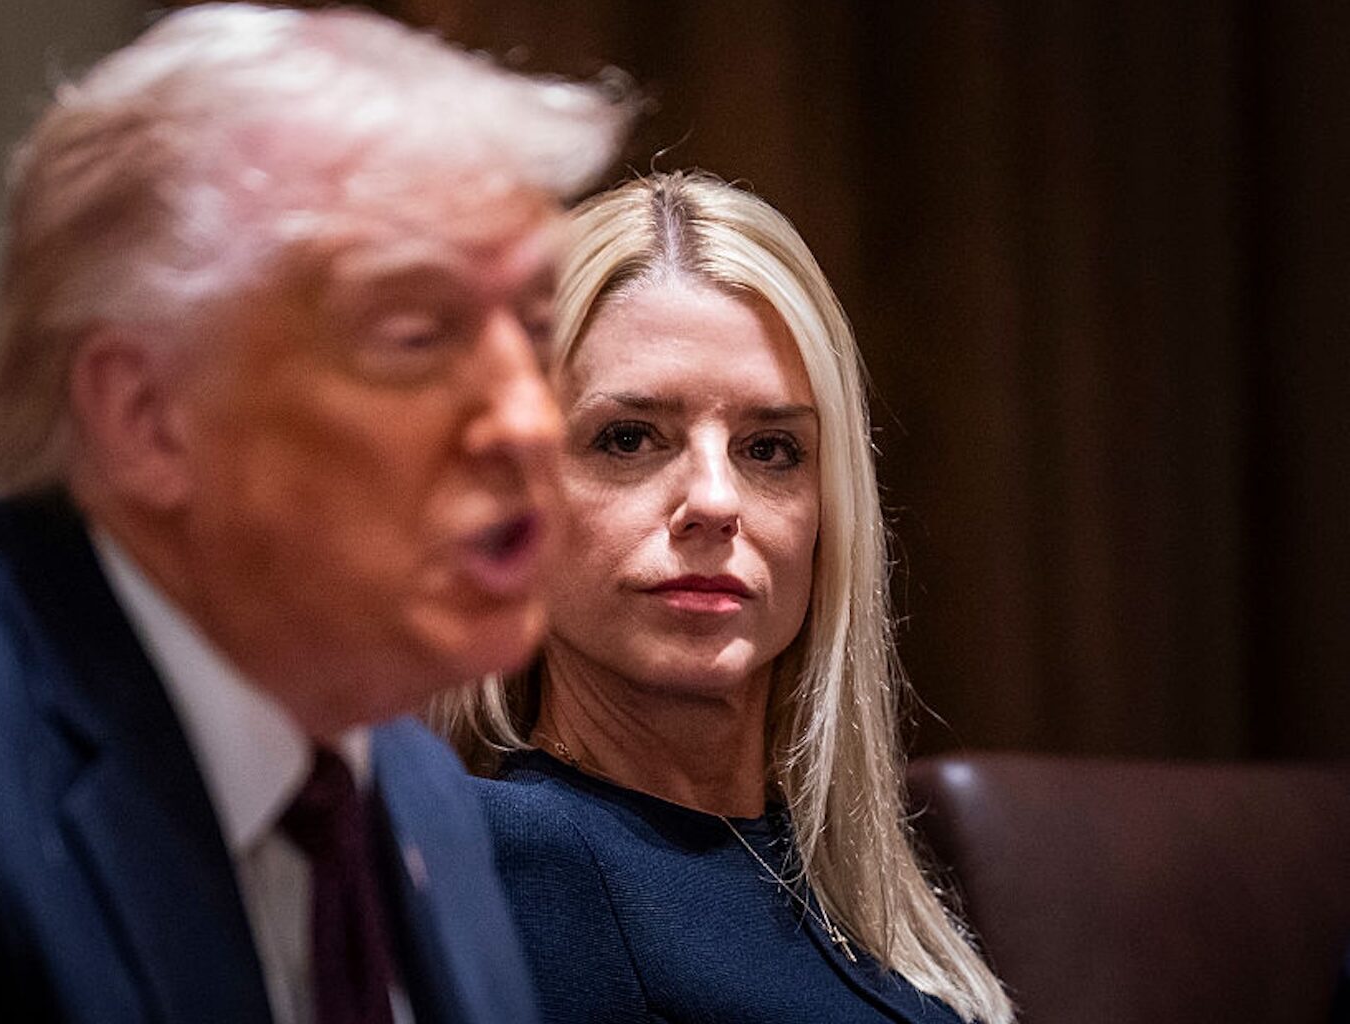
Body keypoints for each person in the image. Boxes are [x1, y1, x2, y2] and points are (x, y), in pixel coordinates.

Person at [0, 5, 629, 1021]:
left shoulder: (414, 785)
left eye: (535, 328)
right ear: (145, 417)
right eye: (415, 335)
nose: (525, 419)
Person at [433, 172, 1014, 1023]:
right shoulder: (517, 857)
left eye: (771, 449)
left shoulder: (868, 896)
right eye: (627, 438)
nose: (714, 500)